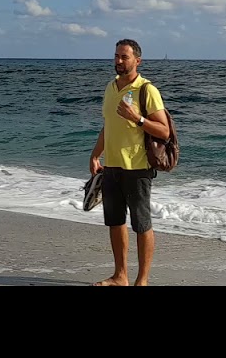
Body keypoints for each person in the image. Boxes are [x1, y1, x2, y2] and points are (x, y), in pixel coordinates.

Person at [87, 37, 172, 286]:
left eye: (124, 57)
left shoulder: (147, 90)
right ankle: (120, 276)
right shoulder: (110, 88)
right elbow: (108, 127)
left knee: (142, 225)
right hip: (112, 166)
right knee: (115, 222)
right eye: (116, 56)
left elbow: (164, 131)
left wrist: (138, 119)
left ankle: (141, 281)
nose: (119, 61)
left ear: (137, 60)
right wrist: (95, 155)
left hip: (138, 168)